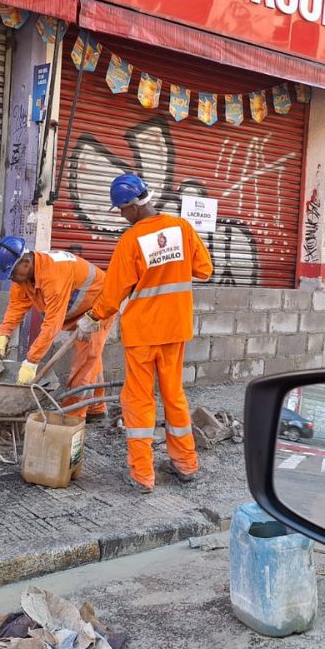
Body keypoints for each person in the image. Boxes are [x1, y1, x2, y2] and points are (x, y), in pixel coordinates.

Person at [76, 174, 213, 493]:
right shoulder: (181, 228)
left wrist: (93, 317)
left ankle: (142, 474)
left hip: (142, 333)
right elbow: (204, 269)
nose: (122, 216)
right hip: (175, 329)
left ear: (132, 206)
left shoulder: (131, 240)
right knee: (174, 396)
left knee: (138, 400)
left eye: (122, 210)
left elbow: (113, 293)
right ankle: (186, 463)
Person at [0, 236, 115, 418]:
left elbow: (52, 324)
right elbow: (17, 305)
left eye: (12, 273)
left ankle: (72, 417)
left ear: (25, 263)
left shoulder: (53, 275)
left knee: (84, 362)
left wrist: (31, 361)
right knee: (91, 359)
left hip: (98, 308)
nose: (12, 278)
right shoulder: (24, 277)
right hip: (76, 310)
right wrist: (4, 333)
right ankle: (96, 409)